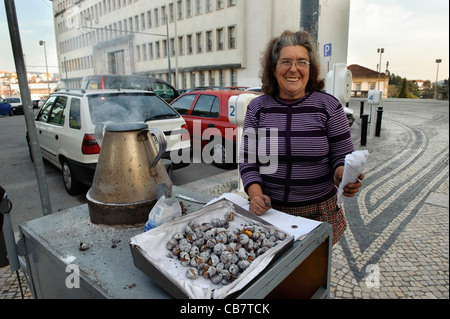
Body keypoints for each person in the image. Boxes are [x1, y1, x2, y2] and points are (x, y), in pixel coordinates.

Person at [238, 30, 364, 245]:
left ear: (310, 68)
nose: (294, 69)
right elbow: (248, 161)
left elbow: (342, 157)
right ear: (274, 68)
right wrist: (255, 195)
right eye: (285, 61)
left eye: (302, 62)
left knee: (310, 277)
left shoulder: (329, 107)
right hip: (270, 213)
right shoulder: (257, 108)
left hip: (319, 214)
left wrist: (344, 174)